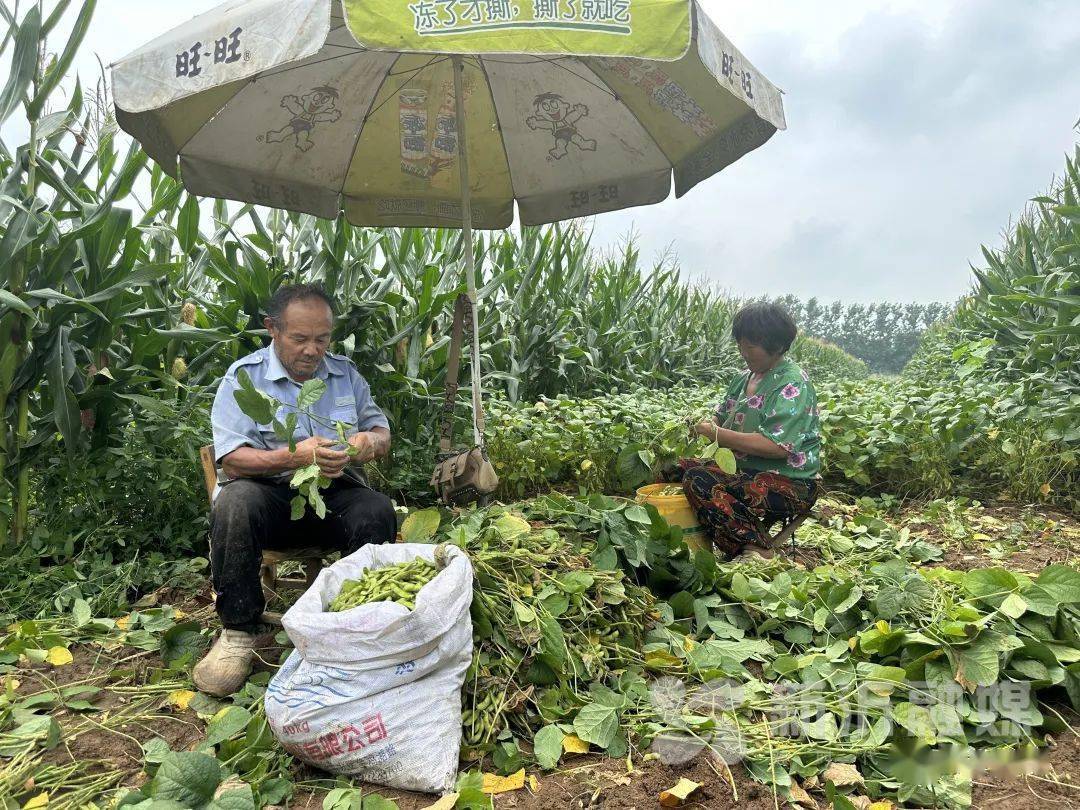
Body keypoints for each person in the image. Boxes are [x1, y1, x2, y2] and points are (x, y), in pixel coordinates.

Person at [193, 284, 397, 696]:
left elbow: (380, 433)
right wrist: (294, 456)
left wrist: (365, 445)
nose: (312, 350)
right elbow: (231, 457)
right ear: (273, 329)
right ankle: (239, 631)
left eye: (321, 339)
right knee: (234, 501)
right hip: (269, 502)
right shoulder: (245, 379)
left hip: (332, 499)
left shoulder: (344, 375)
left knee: (376, 510)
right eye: (299, 339)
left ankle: (358, 625)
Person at [679, 303, 821, 559]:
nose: (743, 352)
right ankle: (692, 541)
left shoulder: (793, 383)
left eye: (750, 346)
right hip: (745, 471)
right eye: (740, 344)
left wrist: (716, 434)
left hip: (789, 482)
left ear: (776, 346)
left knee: (699, 479)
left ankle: (755, 546)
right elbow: (721, 415)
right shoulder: (744, 378)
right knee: (676, 468)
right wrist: (703, 424)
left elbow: (776, 447)